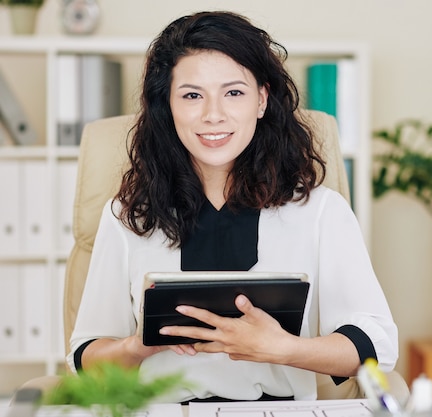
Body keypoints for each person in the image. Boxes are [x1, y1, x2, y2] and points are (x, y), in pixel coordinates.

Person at [67, 10, 398, 402]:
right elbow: (84, 359)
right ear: (167, 107)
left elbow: (377, 344)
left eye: (234, 92)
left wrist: (283, 349)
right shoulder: (127, 217)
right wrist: (138, 346)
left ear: (261, 99)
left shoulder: (321, 212)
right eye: (192, 95)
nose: (213, 114)